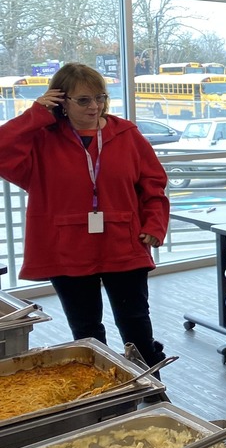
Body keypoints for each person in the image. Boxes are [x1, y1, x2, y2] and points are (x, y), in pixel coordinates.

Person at [0, 63, 169, 367]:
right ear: (60, 101)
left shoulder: (127, 134)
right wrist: (35, 114)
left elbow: (153, 185)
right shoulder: (41, 139)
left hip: (123, 243)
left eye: (100, 98)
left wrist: (155, 224)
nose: (95, 107)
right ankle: (103, 400)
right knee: (87, 334)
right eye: (84, 100)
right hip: (67, 249)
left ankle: (154, 391)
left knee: (137, 328)